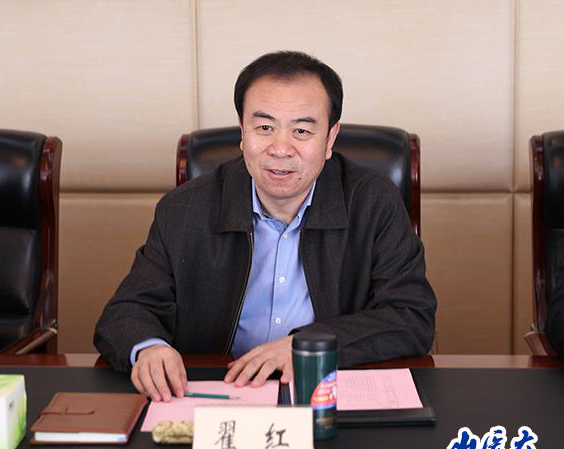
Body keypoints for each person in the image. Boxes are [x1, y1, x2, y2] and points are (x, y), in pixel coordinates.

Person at [94, 51, 437, 402]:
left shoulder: (373, 201)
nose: (281, 149)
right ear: (243, 132)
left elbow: (411, 315)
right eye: (264, 128)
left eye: (301, 130)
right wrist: (149, 348)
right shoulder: (185, 209)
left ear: (330, 138)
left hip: (324, 391)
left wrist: (307, 346)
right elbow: (126, 312)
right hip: (218, 395)